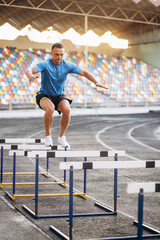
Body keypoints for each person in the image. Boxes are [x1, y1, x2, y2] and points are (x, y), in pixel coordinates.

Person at [25, 43, 108, 148]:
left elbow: (84, 73)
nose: (59, 57)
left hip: (59, 96)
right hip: (44, 95)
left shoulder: (68, 65)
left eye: (61, 55)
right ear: (51, 54)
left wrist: (96, 82)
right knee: (50, 109)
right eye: (56, 54)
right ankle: (48, 136)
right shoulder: (45, 64)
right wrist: (29, 75)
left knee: (67, 109)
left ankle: (61, 137)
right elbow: (30, 70)